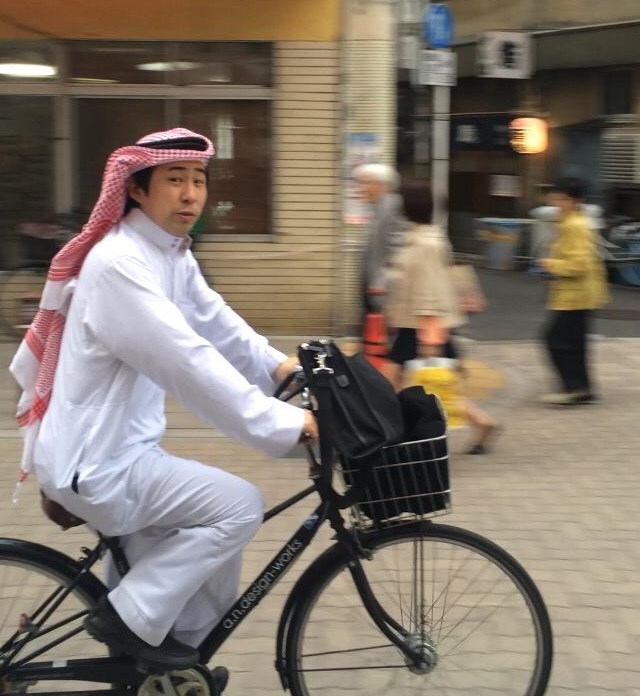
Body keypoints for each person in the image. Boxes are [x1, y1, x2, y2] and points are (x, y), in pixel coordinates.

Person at [9, 128, 318, 685]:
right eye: (175, 180)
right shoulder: (121, 265)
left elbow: (215, 320)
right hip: (100, 463)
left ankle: (168, 671)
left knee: (211, 558)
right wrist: (288, 424)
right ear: (137, 190)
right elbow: (190, 363)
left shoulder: (168, 254)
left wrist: (280, 368)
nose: (191, 194)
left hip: (119, 453)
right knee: (239, 506)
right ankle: (128, 621)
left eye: (198, 181)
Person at [382, 178, 498, 455]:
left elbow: (431, 291)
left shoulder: (426, 243)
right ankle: (481, 423)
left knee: (423, 381)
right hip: (418, 323)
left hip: (423, 326)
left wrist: (430, 339)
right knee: (431, 381)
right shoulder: (423, 237)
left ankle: (390, 436)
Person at [537, 177, 609, 405]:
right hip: (579, 294)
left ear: (577, 201)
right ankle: (581, 388)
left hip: (575, 295)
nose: (558, 202)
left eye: (564, 199)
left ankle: (573, 388)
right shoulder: (569, 221)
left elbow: (580, 264)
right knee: (575, 342)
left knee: (555, 340)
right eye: (556, 197)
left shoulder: (574, 225)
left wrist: (551, 265)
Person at [352, 163, 406, 315]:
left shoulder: (391, 207)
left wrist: (382, 281)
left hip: (383, 290)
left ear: (381, 184)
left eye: (366, 182)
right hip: (373, 288)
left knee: (382, 335)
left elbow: (398, 248)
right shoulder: (377, 208)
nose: (361, 188)